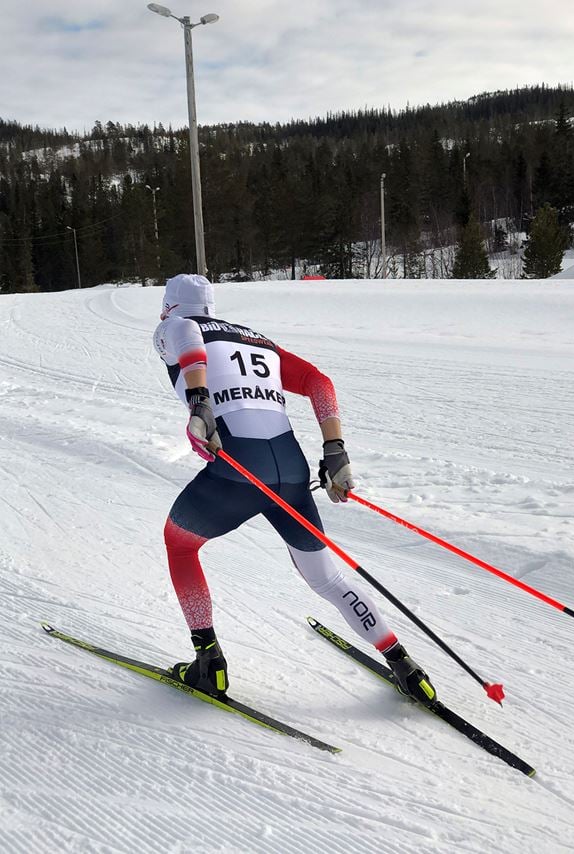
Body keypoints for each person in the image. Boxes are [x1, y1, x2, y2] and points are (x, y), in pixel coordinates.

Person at [154, 273, 436, 708]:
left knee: (180, 545)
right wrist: (335, 451)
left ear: (172, 304)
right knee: (327, 577)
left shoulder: (175, 325)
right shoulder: (257, 340)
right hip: (290, 469)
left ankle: (208, 661)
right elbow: (319, 382)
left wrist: (200, 404)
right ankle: (402, 663)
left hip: (237, 469)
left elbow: (187, 335)